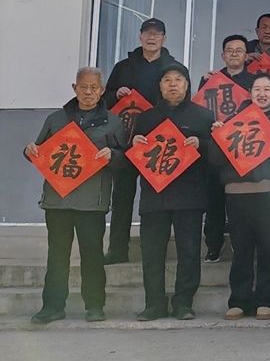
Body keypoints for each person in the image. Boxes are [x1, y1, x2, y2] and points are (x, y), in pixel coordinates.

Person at [26, 68, 126, 325]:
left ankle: (94, 306)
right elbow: (39, 151)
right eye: (83, 87)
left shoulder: (113, 122)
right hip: (57, 199)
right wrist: (29, 150)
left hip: (92, 200)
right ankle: (52, 306)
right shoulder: (56, 119)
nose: (88, 92)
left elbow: (125, 159)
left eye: (94, 88)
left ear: (102, 91)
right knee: (57, 255)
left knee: (92, 254)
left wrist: (113, 155)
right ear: (74, 88)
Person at [131, 63, 214, 321]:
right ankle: (154, 304)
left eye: (178, 79)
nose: (173, 84)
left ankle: (183, 303)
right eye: (167, 80)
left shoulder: (203, 116)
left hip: (189, 195)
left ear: (187, 85)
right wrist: (134, 144)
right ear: (160, 86)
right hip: (154, 196)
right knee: (152, 254)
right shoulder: (145, 119)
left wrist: (202, 144)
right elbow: (131, 157)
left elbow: (217, 155)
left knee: (189, 252)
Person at [207, 74, 270, 321]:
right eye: (257, 89)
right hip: (237, 194)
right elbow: (215, 161)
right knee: (241, 249)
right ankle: (239, 300)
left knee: (269, 248)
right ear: (250, 93)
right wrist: (217, 138)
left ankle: (266, 300)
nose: (262, 94)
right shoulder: (233, 120)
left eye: (267, 89)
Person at [103, 17, 176, 265]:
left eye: (157, 33)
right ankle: (117, 250)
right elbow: (105, 100)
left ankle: (153, 251)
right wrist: (116, 93)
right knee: (121, 197)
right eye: (148, 33)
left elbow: (181, 100)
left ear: (164, 38)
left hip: (158, 142)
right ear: (140, 37)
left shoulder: (173, 67)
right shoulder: (123, 67)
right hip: (125, 140)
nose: (152, 37)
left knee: (155, 199)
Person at [197, 34, 256, 263]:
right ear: (222, 55)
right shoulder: (211, 80)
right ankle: (213, 244)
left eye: (239, 50)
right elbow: (200, 111)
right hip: (215, 148)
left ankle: (242, 245)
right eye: (229, 50)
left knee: (241, 202)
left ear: (246, 55)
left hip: (243, 147)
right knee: (213, 199)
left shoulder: (254, 82)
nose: (234, 54)